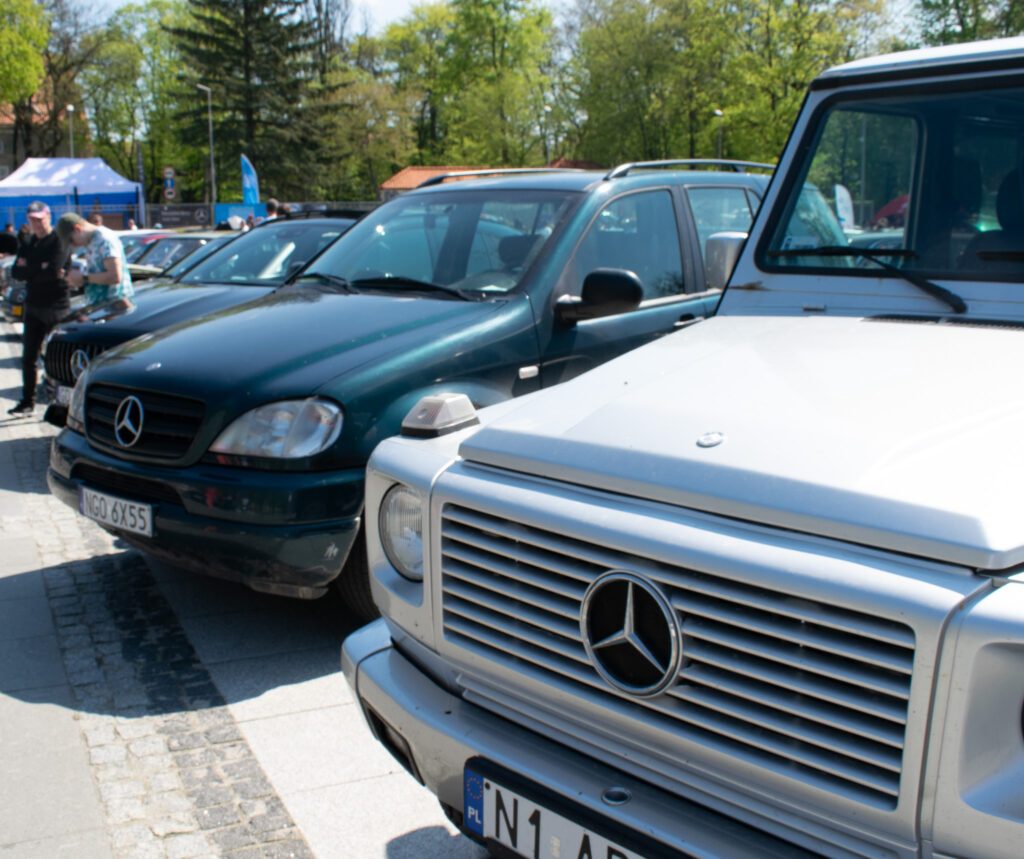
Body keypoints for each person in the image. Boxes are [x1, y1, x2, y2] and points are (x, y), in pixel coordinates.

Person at [8, 202, 71, 416]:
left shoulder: (58, 240)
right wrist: (38, 268)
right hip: (34, 305)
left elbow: (53, 271)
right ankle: (27, 402)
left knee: (56, 359)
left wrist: (31, 268)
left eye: (39, 219)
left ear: (48, 217)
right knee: (28, 358)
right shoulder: (28, 242)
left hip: (56, 306)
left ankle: (61, 405)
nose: (36, 223)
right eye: (32, 219)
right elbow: (16, 272)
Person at [56, 212, 134, 308]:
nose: (73, 245)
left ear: (78, 229)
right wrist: (74, 279)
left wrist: (83, 278)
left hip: (116, 305)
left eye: (71, 240)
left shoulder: (104, 239)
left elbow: (115, 276)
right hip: (102, 306)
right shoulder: (91, 241)